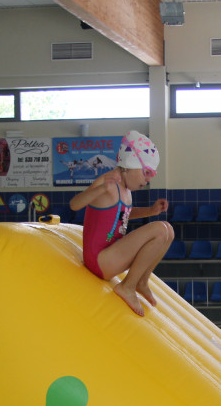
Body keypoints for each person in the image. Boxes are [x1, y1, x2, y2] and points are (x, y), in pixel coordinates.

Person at [69, 130, 173, 317]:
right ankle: (127, 286)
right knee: (159, 229)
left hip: (112, 255)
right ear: (130, 165)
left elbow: (121, 215)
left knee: (168, 230)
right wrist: (100, 189)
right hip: (99, 260)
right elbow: (74, 205)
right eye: (147, 173)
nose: (149, 179)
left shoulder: (126, 189)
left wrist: (151, 211)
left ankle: (141, 282)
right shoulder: (107, 182)